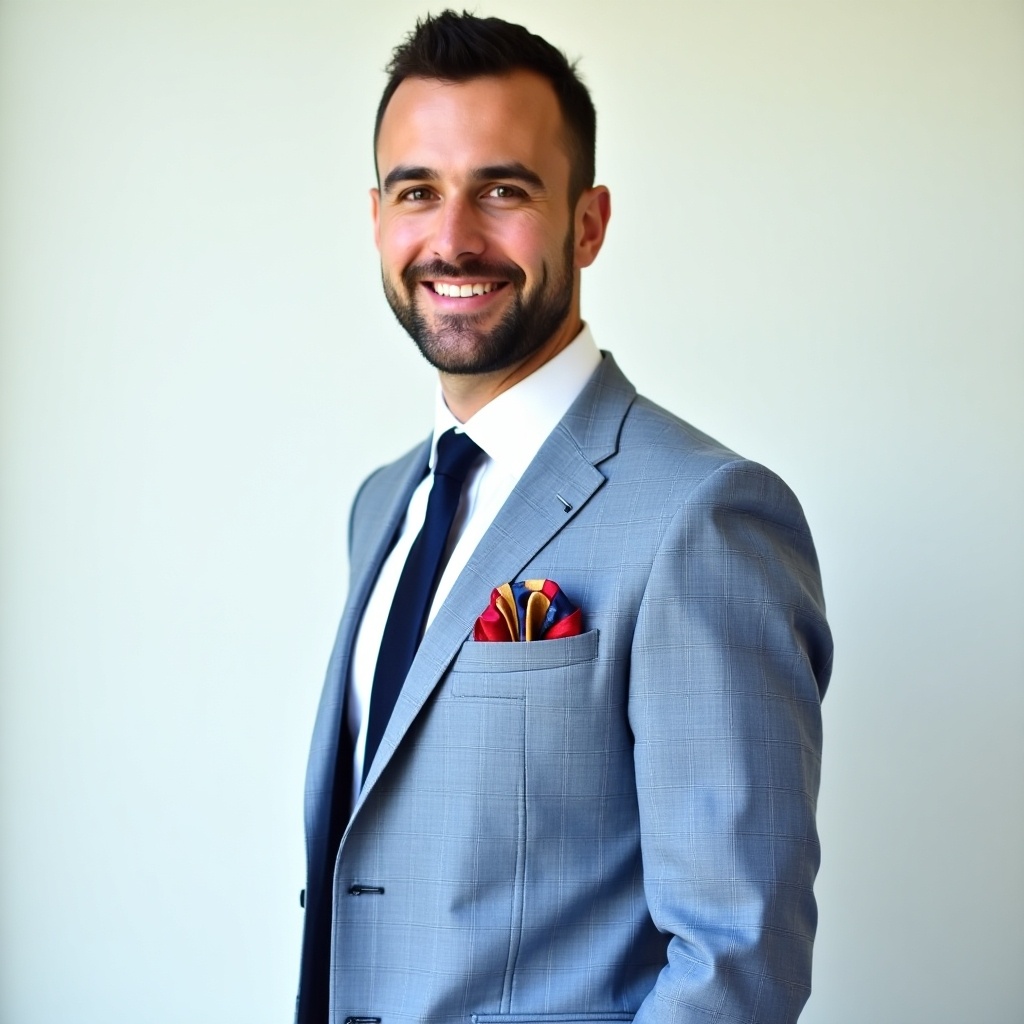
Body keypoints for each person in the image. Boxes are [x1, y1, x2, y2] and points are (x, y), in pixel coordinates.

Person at [297, 11, 833, 1024]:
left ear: (587, 222)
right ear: (377, 218)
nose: (452, 238)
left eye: (502, 190)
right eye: (418, 191)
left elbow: (737, 955)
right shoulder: (384, 506)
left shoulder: (702, 515)